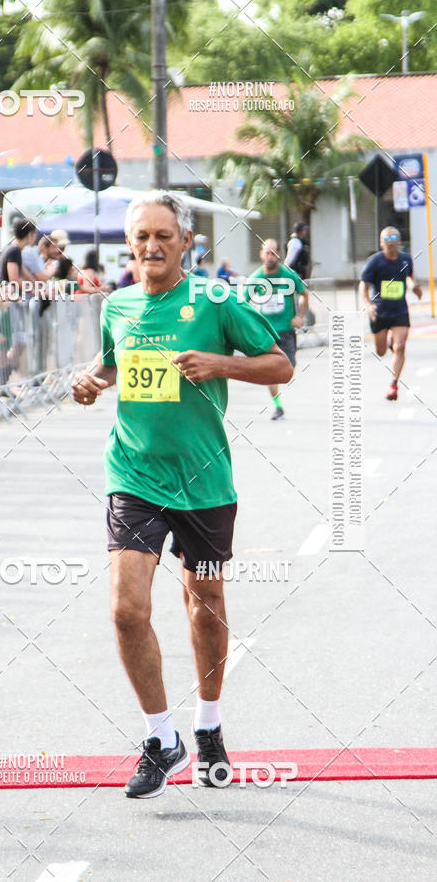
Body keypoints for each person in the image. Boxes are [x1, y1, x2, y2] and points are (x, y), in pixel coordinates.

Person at [71, 191, 292, 799]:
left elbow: (279, 365)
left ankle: (209, 725)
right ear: (129, 244)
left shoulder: (216, 300)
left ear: (186, 242)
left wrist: (221, 364)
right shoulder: (118, 305)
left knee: (206, 602)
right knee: (126, 609)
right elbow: (113, 364)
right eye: (141, 236)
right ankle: (160, 737)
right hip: (134, 476)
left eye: (163, 236)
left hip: (203, 480)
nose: (151, 246)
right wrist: (90, 381)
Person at [247, 238, 308, 420]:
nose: (271, 257)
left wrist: (300, 316)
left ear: (279, 255)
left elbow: (304, 294)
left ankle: (278, 403)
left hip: (286, 330)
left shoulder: (288, 275)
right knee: (272, 371)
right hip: (267, 332)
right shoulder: (256, 278)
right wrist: (250, 324)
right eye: (267, 253)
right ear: (261, 254)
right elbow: (242, 303)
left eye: (274, 253)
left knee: (289, 368)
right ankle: (278, 406)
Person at [359, 226, 421, 401]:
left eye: (394, 238)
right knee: (380, 351)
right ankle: (388, 342)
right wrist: (368, 305)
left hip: (400, 310)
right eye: (386, 239)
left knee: (400, 346)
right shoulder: (374, 262)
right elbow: (363, 285)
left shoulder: (406, 259)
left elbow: (409, 277)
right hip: (379, 312)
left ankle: (394, 384)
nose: (390, 242)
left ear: (399, 241)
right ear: (381, 242)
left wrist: (414, 287)